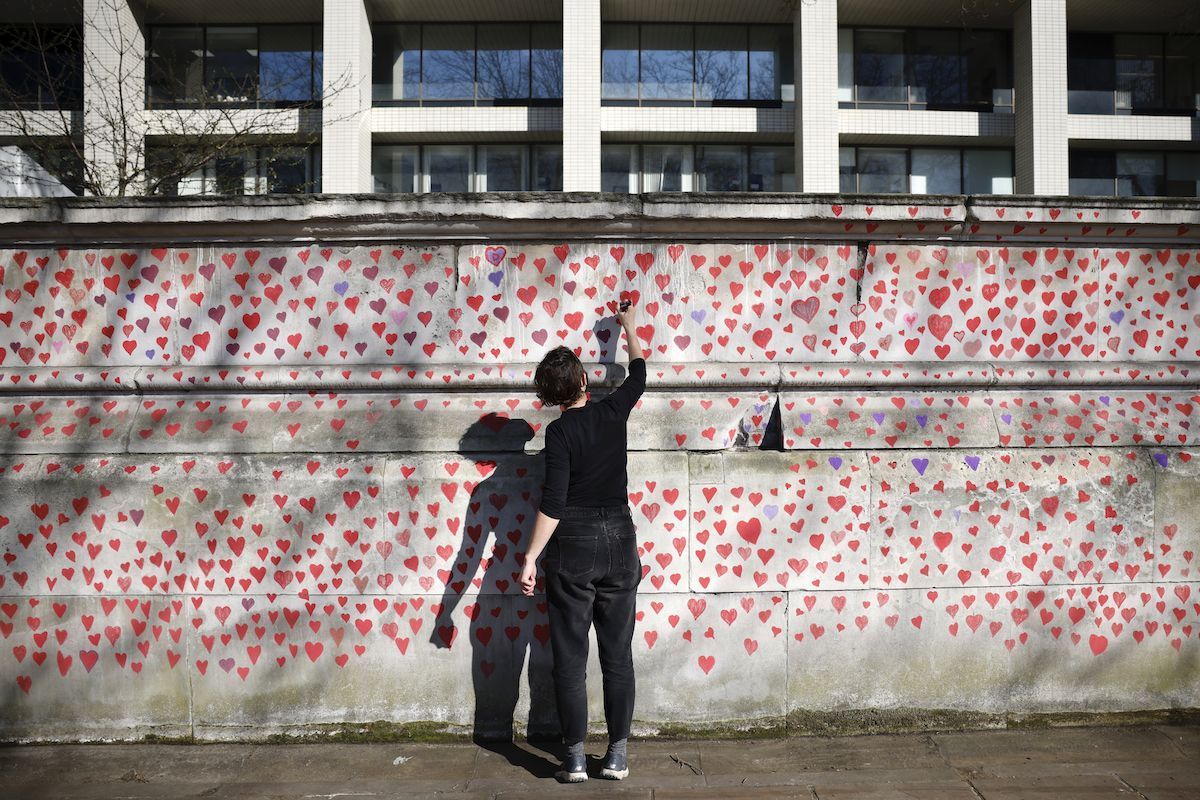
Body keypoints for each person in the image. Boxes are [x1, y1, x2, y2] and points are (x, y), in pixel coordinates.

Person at [520, 299, 647, 783]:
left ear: (552, 398)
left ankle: (573, 758)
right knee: (618, 656)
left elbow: (552, 503)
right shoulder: (615, 411)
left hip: (572, 543)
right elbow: (637, 372)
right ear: (584, 383)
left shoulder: (558, 435)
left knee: (571, 658)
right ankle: (615, 756)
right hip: (620, 538)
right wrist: (627, 328)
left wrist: (531, 557)